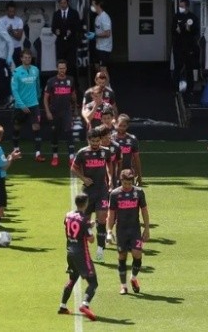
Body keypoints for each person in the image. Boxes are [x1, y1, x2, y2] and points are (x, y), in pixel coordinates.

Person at [72, 127, 113, 262]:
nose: (95, 144)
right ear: (88, 140)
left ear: (100, 140)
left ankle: (100, 249)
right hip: (88, 191)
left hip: (102, 190)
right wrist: (83, 179)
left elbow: (109, 165)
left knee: (102, 219)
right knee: (85, 221)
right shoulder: (82, 153)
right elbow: (73, 168)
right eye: (92, 141)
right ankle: (84, 250)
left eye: (97, 141)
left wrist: (111, 178)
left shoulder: (105, 152)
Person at [107, 169, 149, 295]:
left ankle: (133, 278)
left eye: (129, 184)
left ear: (133, 182)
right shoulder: (115, 194)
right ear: (121, 181)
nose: (127, 186)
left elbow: (144, 211)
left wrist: (146, 228)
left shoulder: (139, 193)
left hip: (135, 229)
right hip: (121, 231)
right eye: (125, 183)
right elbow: (111, 214)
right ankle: (123, 286)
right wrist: (109, 231)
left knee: (137, 254)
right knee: (122, 256)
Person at [58, 193, 98, 321]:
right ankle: (85, 304)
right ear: (85, 204)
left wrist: (87, 226)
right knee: (93, 282)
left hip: (70, 251)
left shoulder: (68, 215)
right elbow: (91, 240)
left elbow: (73, 228)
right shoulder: (84, 219)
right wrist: (90, 228)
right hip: (82, 253)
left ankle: (62, 306)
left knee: (72, 278)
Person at [10, 48, 44, 161]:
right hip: (20, 106)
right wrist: (21, 105)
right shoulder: (16, 72)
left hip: (34, 104)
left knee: (36, 127)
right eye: (25, 57)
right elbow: (14, 90)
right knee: (16, 127)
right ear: (21, 59)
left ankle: (38, 153)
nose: (27, 59)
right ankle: (16, 149)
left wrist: (37, 97)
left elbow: (38, 84)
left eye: (29, 57)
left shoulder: (35, 70)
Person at [43, 60, 78, 167]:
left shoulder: (70, 80)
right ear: (57, 69)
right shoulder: (51, 81)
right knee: (54, 135)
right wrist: (48, 111)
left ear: (66, 69)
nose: (62, 70)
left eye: (63, 68)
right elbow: (45, 98)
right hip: (54, 112)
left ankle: (71, 158)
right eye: (60, 68)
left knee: (69, 134)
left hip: (67, 111)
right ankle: (55, 156)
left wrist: (75, 108)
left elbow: (73, 95)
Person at [172, 0, 199, 98]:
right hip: (178, 46)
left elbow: (196, 32)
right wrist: (177, 31)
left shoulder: (193, 17)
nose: (181, 8)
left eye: (182, 6)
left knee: (189, 69)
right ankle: (175, 89)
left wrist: (188, 29)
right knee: (177, 68)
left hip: (189, 47)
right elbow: (172, 30)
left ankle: (190, 90)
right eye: (180, 6)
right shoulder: (176, 16)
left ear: (187, 7)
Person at [52, 0, 82, 79]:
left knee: (71, 65)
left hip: (71, 43)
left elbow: (78, 27)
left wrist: (72, 31)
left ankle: (73, 84)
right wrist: (55, 31)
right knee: (61, 64)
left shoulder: (74, 13)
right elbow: (53, 27)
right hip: (60, 43)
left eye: (64, 3)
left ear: (67, 3)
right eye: (61, 3)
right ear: (59, 4)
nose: (63, 5)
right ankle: (62, 82)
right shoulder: (56, 14)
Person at [113, 114, 143, 186]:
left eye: (124, 126)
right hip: (113, 173)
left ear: (128, 126)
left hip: (128, 173)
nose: (121, 128)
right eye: (120, 125)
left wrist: (139, 175)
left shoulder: (132, 139)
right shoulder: (111, 138)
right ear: (116, 124)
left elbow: (136, 158)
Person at [88, 0, 113, 77]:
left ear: (98, 5)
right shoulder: (97, 17)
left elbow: (107, 33)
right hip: (98, 46)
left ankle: (107, 87)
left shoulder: (104, 17)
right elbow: (99, 31)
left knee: (103, 70)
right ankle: (101, 86)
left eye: (93, 5)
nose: (92, 6)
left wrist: (95, 35)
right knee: (97, 68)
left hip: (105, 48)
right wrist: (91, 34)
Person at [0, 1, 26, 65]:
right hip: (5, 48)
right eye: (10, 11)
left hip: (16, 48)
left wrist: (12, 31)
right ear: (6, 11)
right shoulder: (1, 20)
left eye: (13, 11)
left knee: (18, 67)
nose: (12, 13)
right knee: (5, 67)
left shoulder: (19, 20)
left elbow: (19, 37)